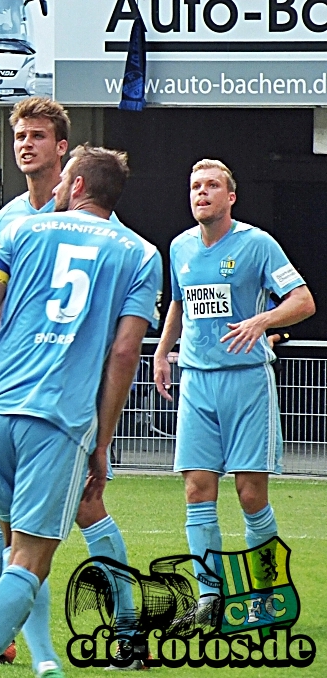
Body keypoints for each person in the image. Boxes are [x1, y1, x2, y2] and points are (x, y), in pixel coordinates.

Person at [0, 144, 161, 678]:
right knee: (30, 559)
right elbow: (123, 352)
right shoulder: (140, 255)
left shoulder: (18, 233)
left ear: (78, 185)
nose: (58, 188)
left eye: (65, 178)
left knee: (10, 540)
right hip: (58, 421)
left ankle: (44, 656)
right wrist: (103, 441)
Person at [154, 159, 314, 631]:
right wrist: (164, 352)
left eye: (212, 186)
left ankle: (267, 594)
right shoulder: (180, 246)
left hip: (246, 381)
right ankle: (210, 598)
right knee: (196, 490)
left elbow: (303, 301)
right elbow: (180, 305)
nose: (201, 193)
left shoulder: (256, 244)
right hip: (197, 382)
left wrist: (261, 322)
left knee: (249, 495)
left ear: (231, 197)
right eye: (195, 186)